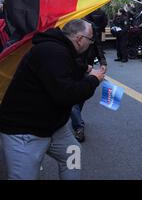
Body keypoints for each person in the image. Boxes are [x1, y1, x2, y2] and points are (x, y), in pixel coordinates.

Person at [0, 19, 105, 180]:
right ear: (79, 39)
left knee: (73, 151)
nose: (91, 44)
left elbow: (64, 67)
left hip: (53, 126)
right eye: (91, 40)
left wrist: (84, 69)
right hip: (24, 130)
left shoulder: (59, 48)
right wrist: (93, 80)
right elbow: (67, 94)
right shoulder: (52, 52)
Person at [70, 9, 108, 143]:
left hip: (88, 64)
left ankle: (76, 118)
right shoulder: (76, 26)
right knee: (73, 97)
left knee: (82, 95)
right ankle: (79, 125)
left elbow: (97, 44)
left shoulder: (93, 29)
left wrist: (102, 61)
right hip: (76, 65)